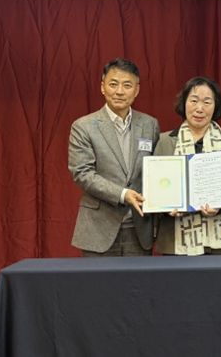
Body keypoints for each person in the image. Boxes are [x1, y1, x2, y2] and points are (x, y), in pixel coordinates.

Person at [68, 58, 160, 256]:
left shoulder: (150, 125)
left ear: (136, 90)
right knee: (98, 279)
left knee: (140, 278)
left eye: (127, 85)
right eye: (113, 84)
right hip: (98, 229)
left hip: (139, 229)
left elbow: (157, 170)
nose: (119, 91)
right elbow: (82, 173)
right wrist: (123, 194)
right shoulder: (83, 126)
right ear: (102, 87)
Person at [154, 77, 221, 255]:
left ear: (216, 106)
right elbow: (155, 187)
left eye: (207, 102)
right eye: (193, 101)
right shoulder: (165, 141)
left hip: (220, 243)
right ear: (184, 103)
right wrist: (166, 206)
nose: (199, 108)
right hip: (175, 242)